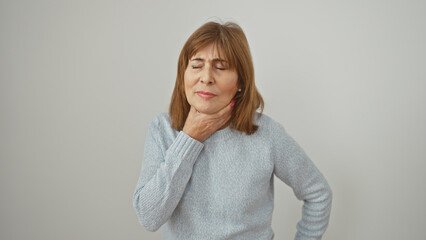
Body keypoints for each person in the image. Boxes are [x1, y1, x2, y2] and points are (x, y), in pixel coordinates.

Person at [133, 21, 332, 240]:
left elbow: (318, 193)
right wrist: (190, 138)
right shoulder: (162, 129)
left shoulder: (266, 134)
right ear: (183, 76)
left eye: (221, 67)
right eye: (196, 65)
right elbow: (148, 218)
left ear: (241, 81)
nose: (206, 77)